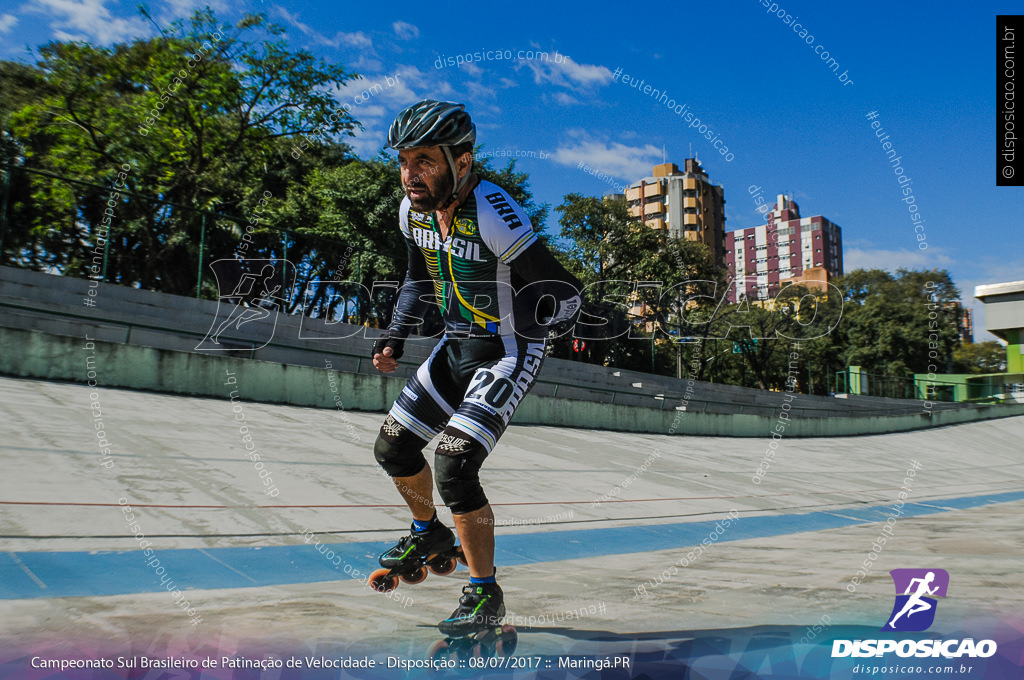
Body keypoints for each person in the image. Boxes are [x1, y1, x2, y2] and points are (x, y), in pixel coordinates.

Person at [371, 99, 582, 635]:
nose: (410, 173)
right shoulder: (412, 211)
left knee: (455, 463)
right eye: (403, 160)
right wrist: (394, 335)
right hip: (454, 344)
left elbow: (563, 289)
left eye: (425, 161)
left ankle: (485, 592)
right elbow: (419, 279)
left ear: (461, 162)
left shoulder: (492, 210)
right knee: (393, 446)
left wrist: (570, 323)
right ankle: (429, 533)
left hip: (509, 348)